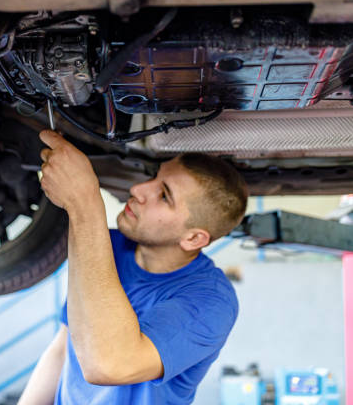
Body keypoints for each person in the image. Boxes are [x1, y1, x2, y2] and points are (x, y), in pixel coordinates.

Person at [18, 130, 249, 405]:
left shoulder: (211, 301)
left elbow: (109, 365)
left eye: (164, 196)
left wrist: (84, 203)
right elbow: (63, 347)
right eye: (154, 177)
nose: (138, 190)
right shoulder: (109, 246)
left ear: (193, 238)